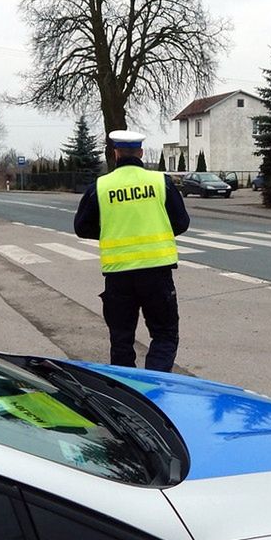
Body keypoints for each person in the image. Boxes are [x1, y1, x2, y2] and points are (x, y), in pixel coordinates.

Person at [74, 130, 190, 372]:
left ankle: (125, 394)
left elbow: (81, 227)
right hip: (157, 274)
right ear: (141, 152)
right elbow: (181, 222)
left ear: (115, 153)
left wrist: (113, 231)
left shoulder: (101, 186)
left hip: (118, 277)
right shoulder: (160, 182)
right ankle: (156, 389)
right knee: (165, 335)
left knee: (121, 340)